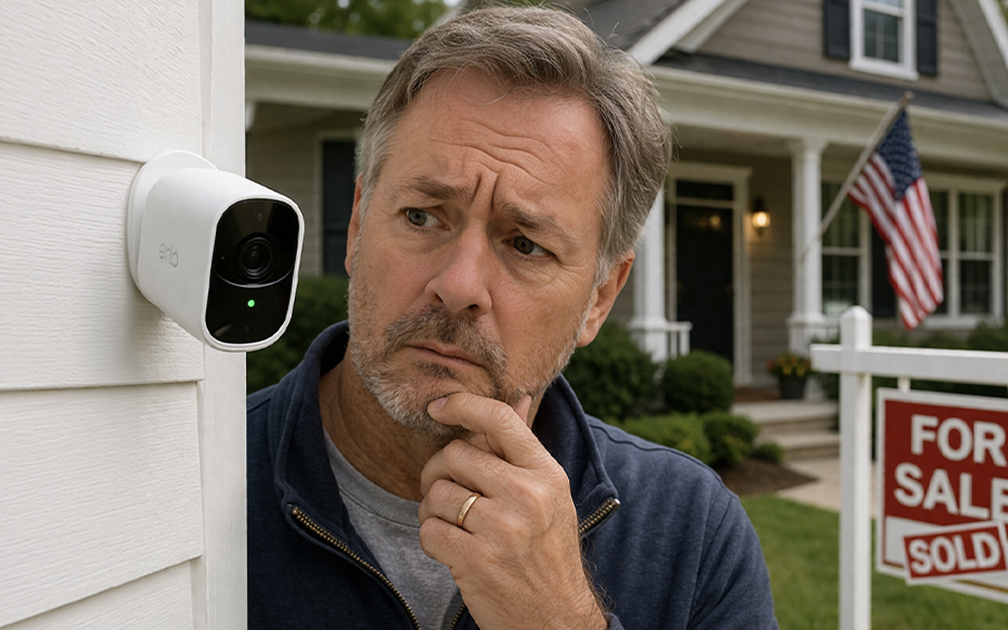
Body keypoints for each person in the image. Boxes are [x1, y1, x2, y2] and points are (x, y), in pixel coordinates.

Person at [247, 6, 778, 629]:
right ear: (359, 223)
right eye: (422, 215)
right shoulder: (196, 486)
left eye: (526, 244)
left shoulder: (693, 535)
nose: (459, 286)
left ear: (600, 298)